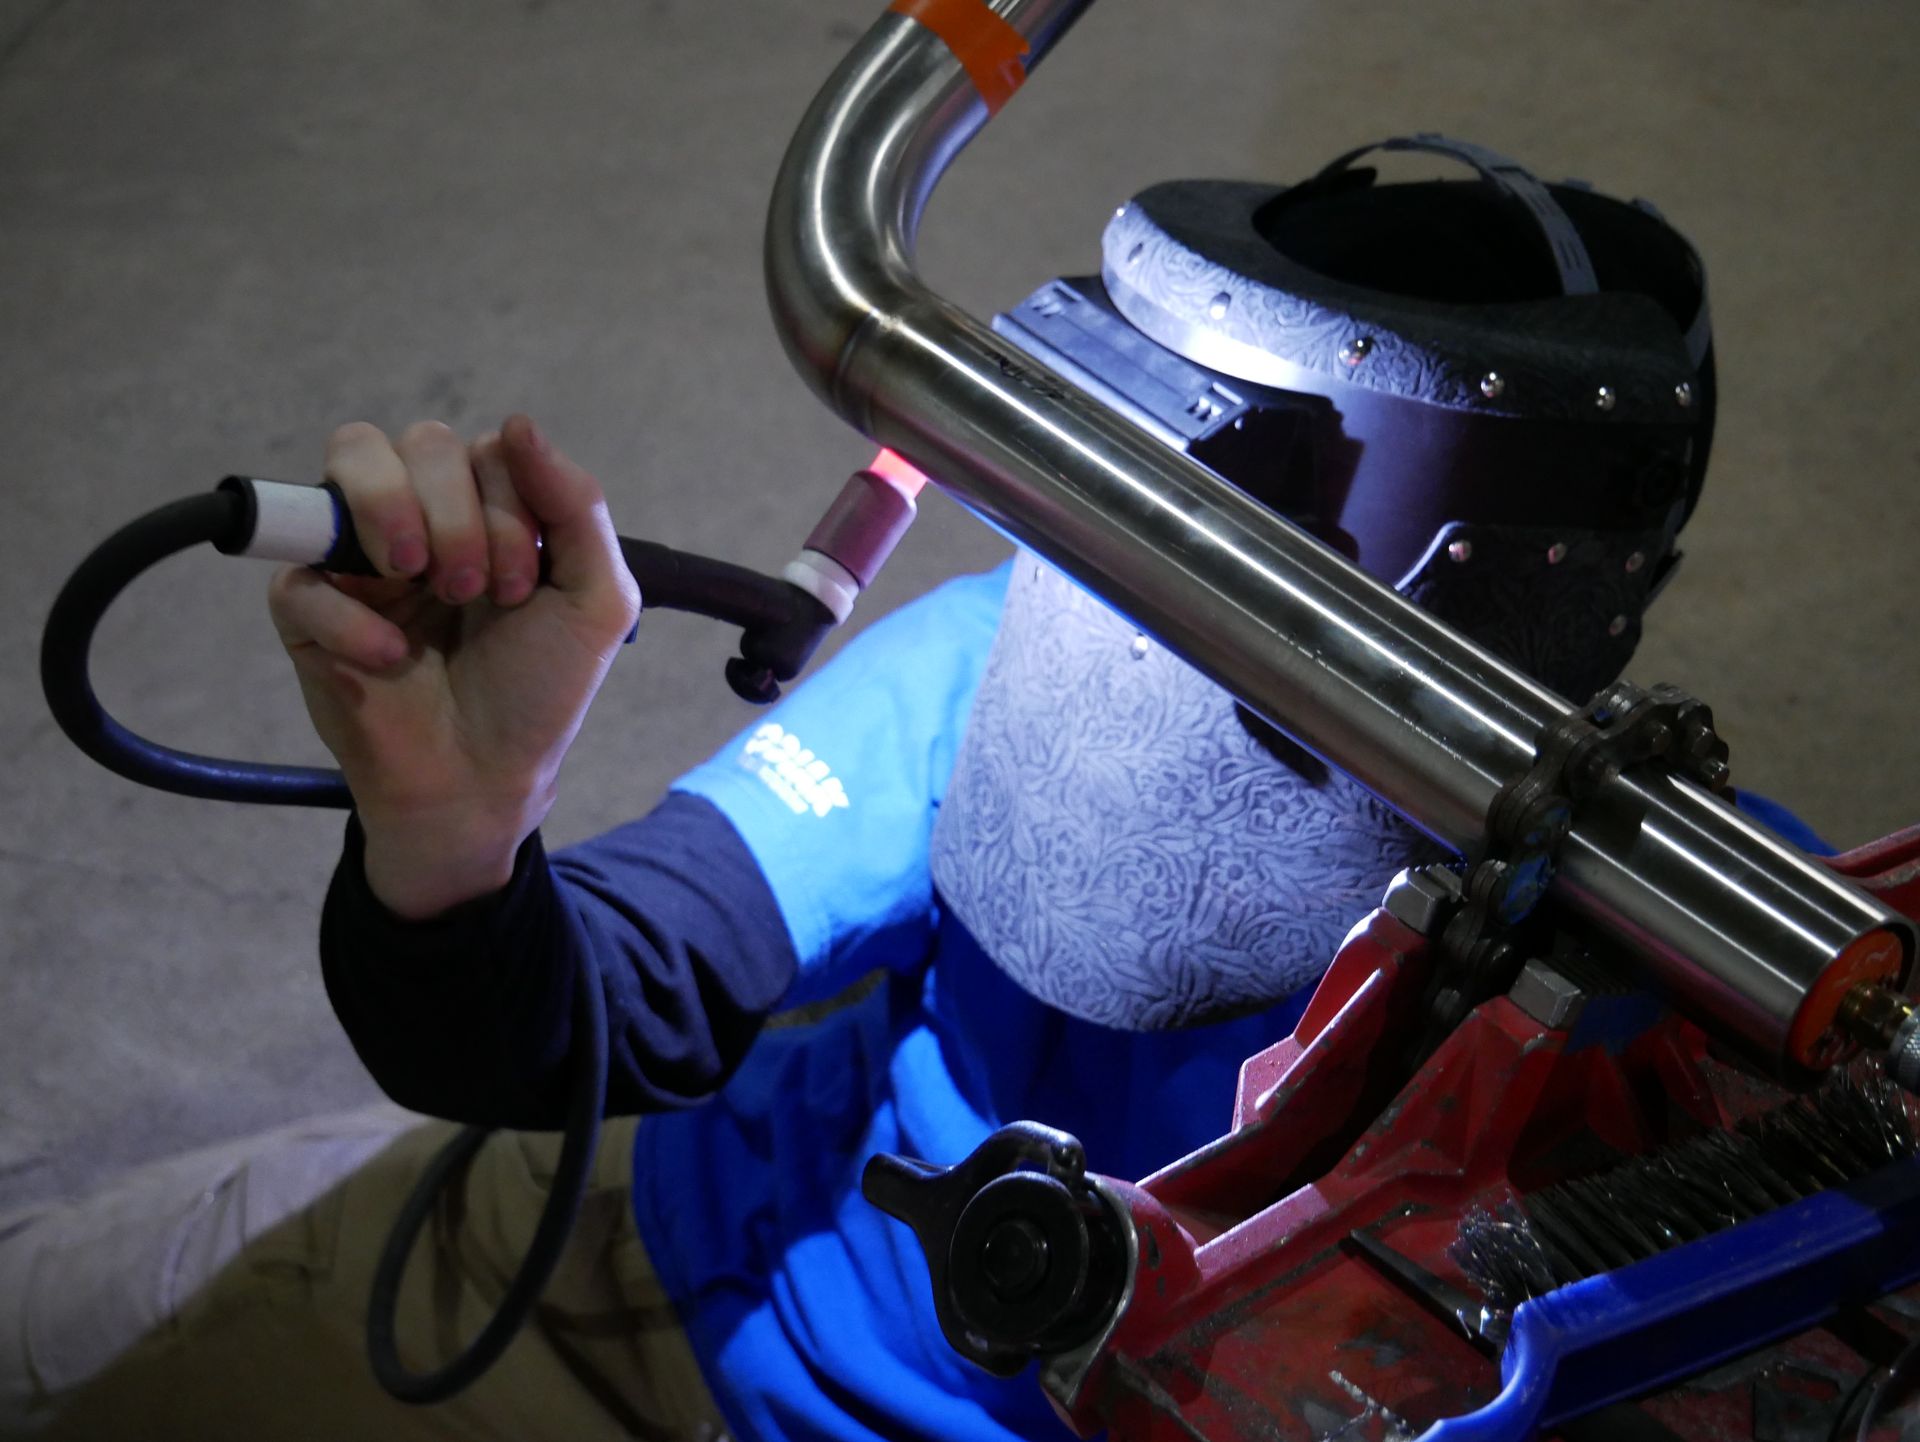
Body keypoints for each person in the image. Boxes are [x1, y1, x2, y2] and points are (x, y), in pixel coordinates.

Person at [0, 140, 1765, 1441]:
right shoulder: (1001, 662)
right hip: (658, 1250)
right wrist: (452, 848)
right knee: (74, 1315)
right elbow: (590, 997)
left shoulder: (1728, 955)